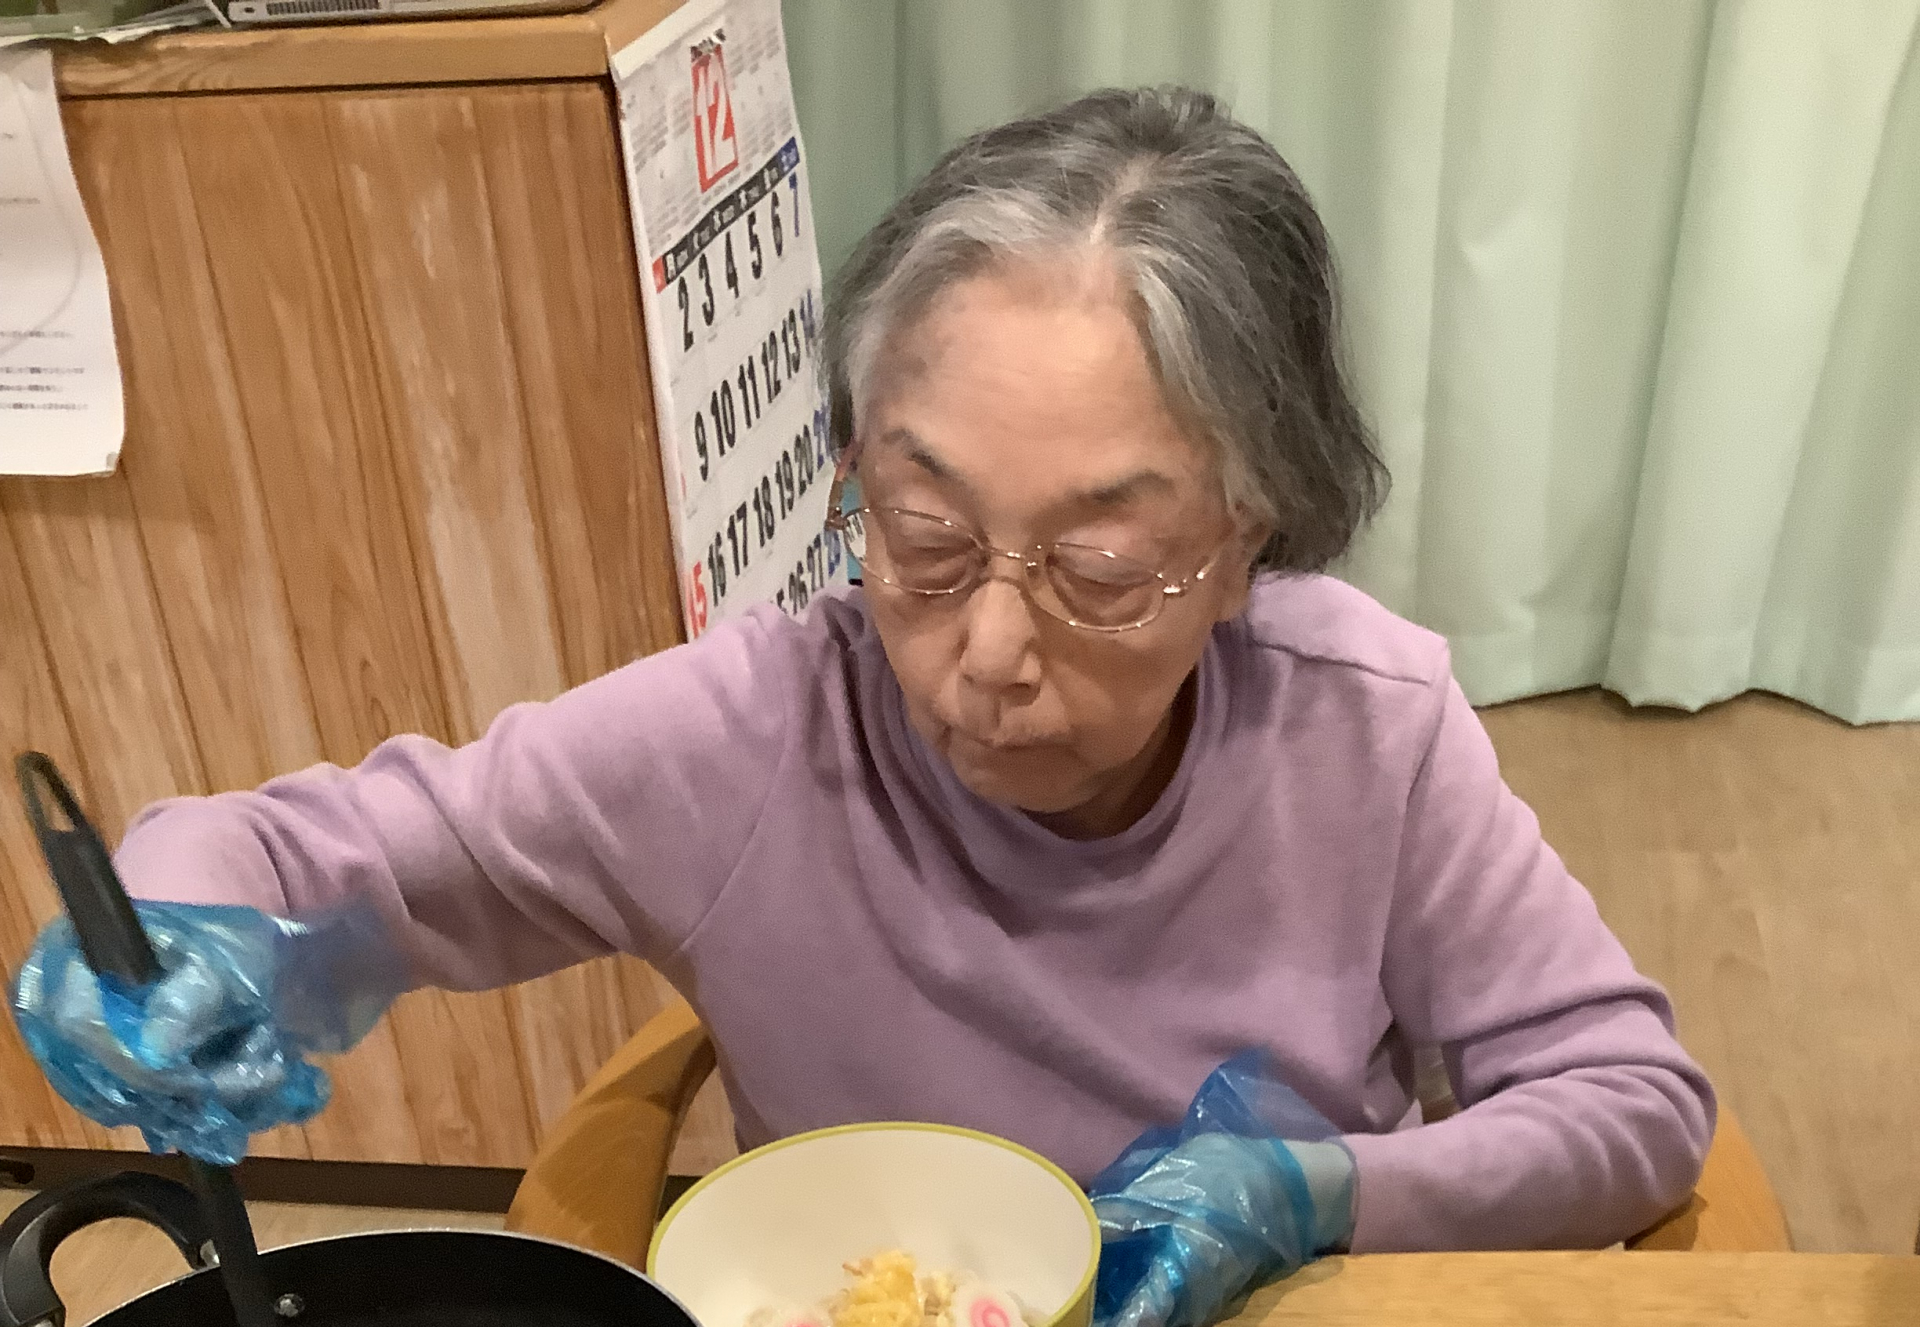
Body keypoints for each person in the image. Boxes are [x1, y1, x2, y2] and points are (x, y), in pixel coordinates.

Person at [29, 86, 1713, 1251]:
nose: (990, 656)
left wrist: (1314, 1198)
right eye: (925, 538)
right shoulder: (751, 737)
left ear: (1249, 537)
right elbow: (293, 853)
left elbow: (1630, 1104)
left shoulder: (1364, 726)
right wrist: (180, 933)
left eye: (1101, 572)